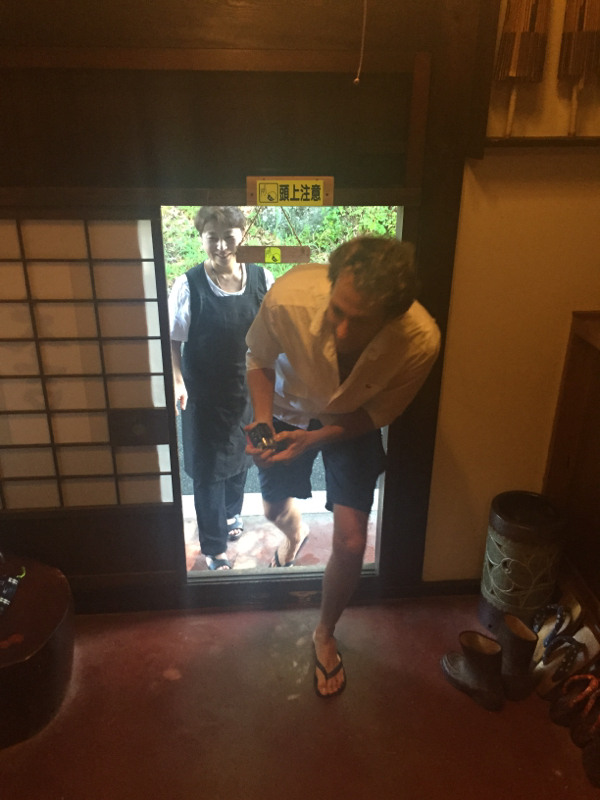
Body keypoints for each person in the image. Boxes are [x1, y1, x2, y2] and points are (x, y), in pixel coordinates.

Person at [245, 236, 440, 696]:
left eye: (363, 321)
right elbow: (258, 357)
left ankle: (325, 632)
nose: (344, 331)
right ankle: (295, 534)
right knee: (273, 510)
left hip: (352, 418)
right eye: (338, 312)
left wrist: (315, 438)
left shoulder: (420, 340)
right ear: (330, 287)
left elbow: (380, 413)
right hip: (287, 405)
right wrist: (259, 417)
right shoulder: (289, 297)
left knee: (352, 542)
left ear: (393, 316)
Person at [168, 207, 274, 570]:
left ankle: (231, 516)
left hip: (248, 389)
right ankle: (214, 549)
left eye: (229, 235)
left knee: (243, 454)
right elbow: (172, 339)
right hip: (205, 396)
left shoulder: (262, 278)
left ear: (242, 235)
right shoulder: (190, 284)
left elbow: (277, 331)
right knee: (209, 468)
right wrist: (177, 379)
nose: (221, 244)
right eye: (212, 236)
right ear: (201, 238)